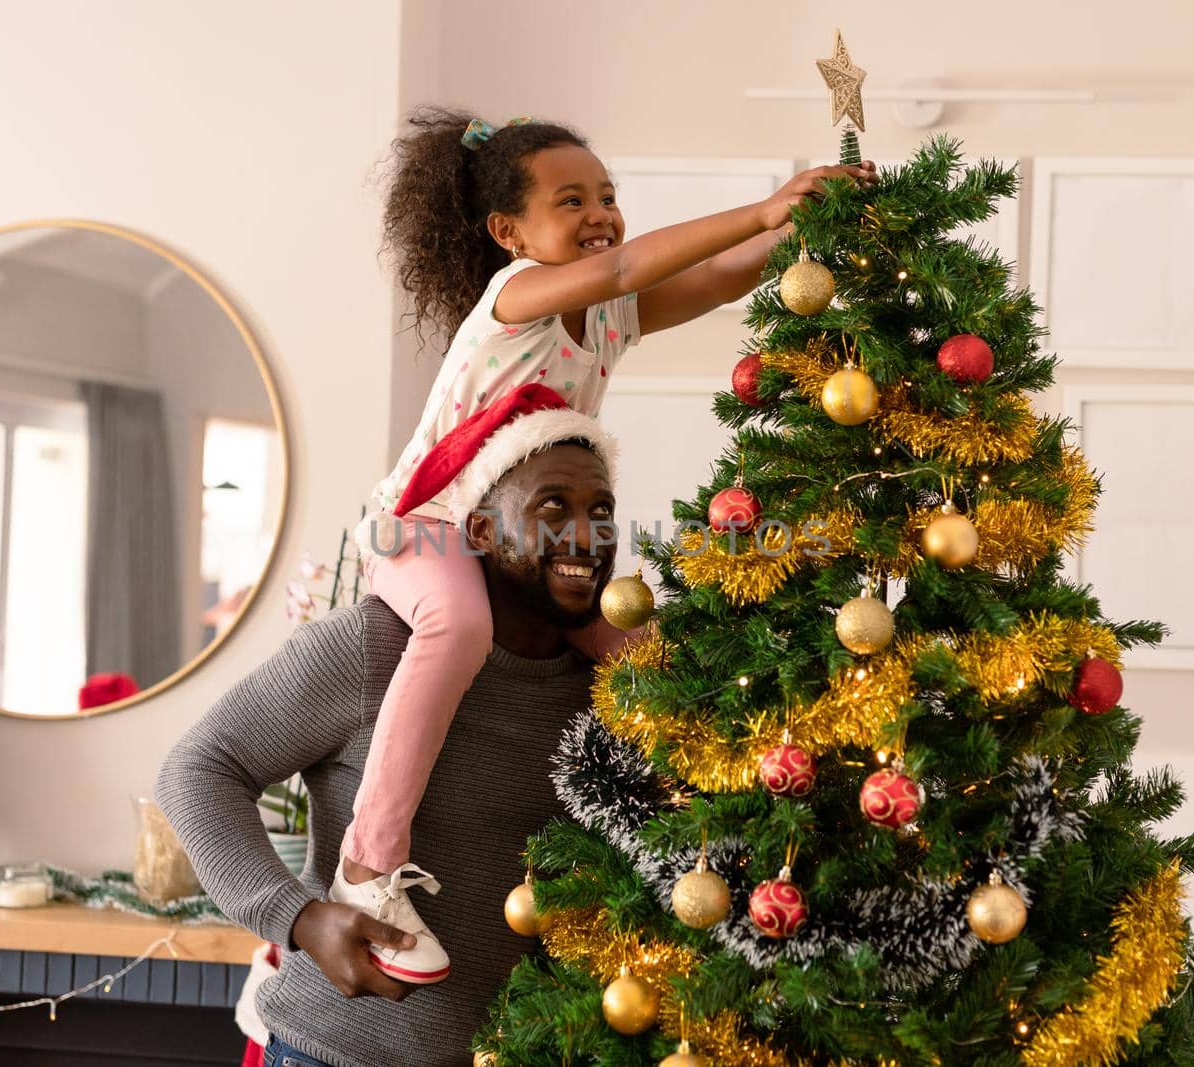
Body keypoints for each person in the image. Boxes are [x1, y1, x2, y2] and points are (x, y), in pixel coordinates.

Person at [346, 107, 877, 981]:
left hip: (521, 548)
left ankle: (693, 848)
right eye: (572, 201)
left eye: (607, 195)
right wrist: (763, 205)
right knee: (458, 627)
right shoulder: (514, 296)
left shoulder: (607, 316)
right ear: (510, 231)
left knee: (639, 652)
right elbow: (632, 260)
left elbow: (714, 281)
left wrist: (805, 224)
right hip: (427, 526)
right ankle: (368, 864)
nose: (600, 214)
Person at [156, 398, 623, 1067]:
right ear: (483, 530)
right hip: (338, 1056)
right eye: (553, 506)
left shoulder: (611, 688)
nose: (586, 534)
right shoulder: (377, 644)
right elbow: (199, 767)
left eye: (602, 510)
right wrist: (300, 918)